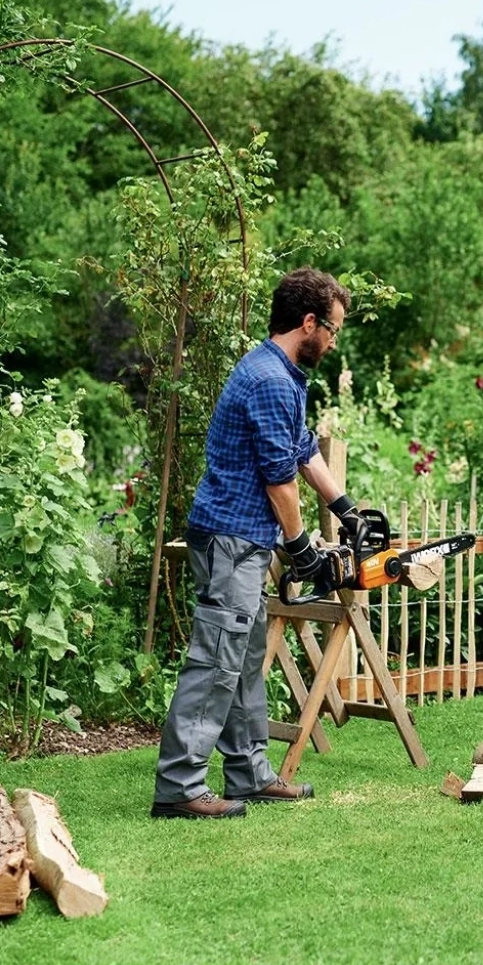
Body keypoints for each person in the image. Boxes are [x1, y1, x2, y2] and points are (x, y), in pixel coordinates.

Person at [151, 267, 369, 819]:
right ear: (309, 322)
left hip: (242, 541)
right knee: (217, 661)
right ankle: (179, 786)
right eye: (333, 330)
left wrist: (345, 508)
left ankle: (249, 774)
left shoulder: (281, 373)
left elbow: (302, 450)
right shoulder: (270, 380)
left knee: (246, 660)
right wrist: (301, 547)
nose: (334, 341)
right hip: (231, 540)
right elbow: (279, 480)